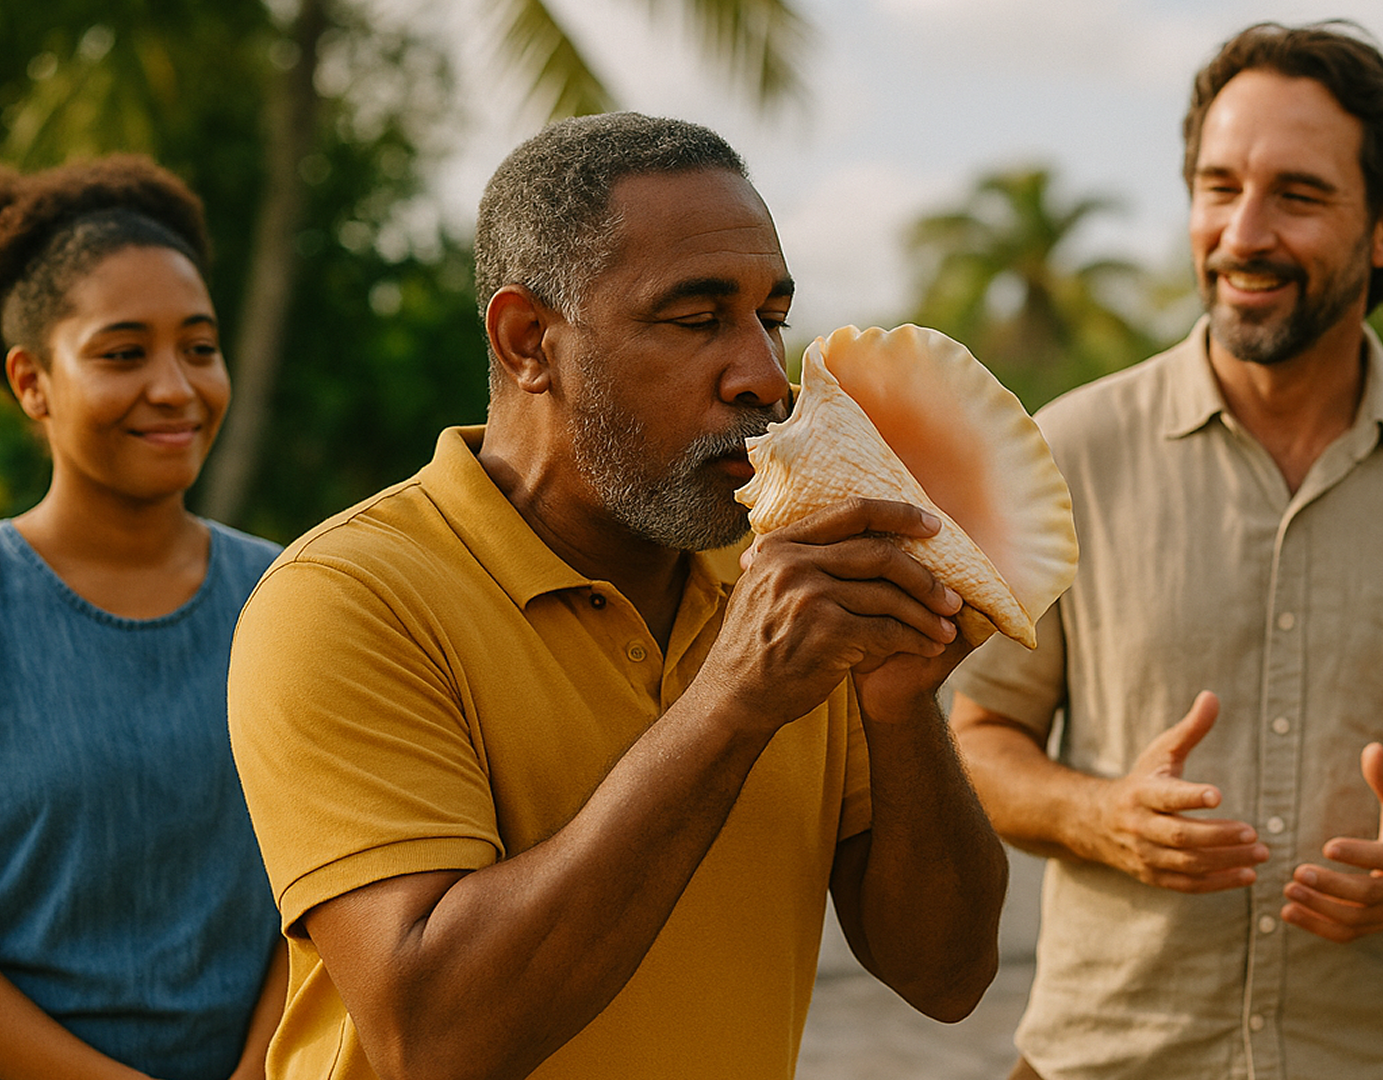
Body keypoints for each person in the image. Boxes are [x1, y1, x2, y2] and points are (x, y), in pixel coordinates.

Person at [226, 112, 1007, 1080]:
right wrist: (732, 703)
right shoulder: (347, 601)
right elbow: (432, 1039)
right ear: (527, 342)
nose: (766, 378)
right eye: (695, 319)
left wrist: (901, 708)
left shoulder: (785, 585)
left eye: (772, 319)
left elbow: (948, 977)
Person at [949, 22, 1383, 1080]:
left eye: (1296, 195)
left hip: (1382, 1058)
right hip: (1108, 1058)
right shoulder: (1067, 449)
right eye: (1217, 186)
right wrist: (1102, 816)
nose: (1242, 233)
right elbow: (980, 738)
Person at [0, 157, 286, 1079]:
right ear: (33, 383)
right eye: (123, 353)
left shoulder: (292, 598)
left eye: (199, 347)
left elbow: (328, 886)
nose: (175, 388)